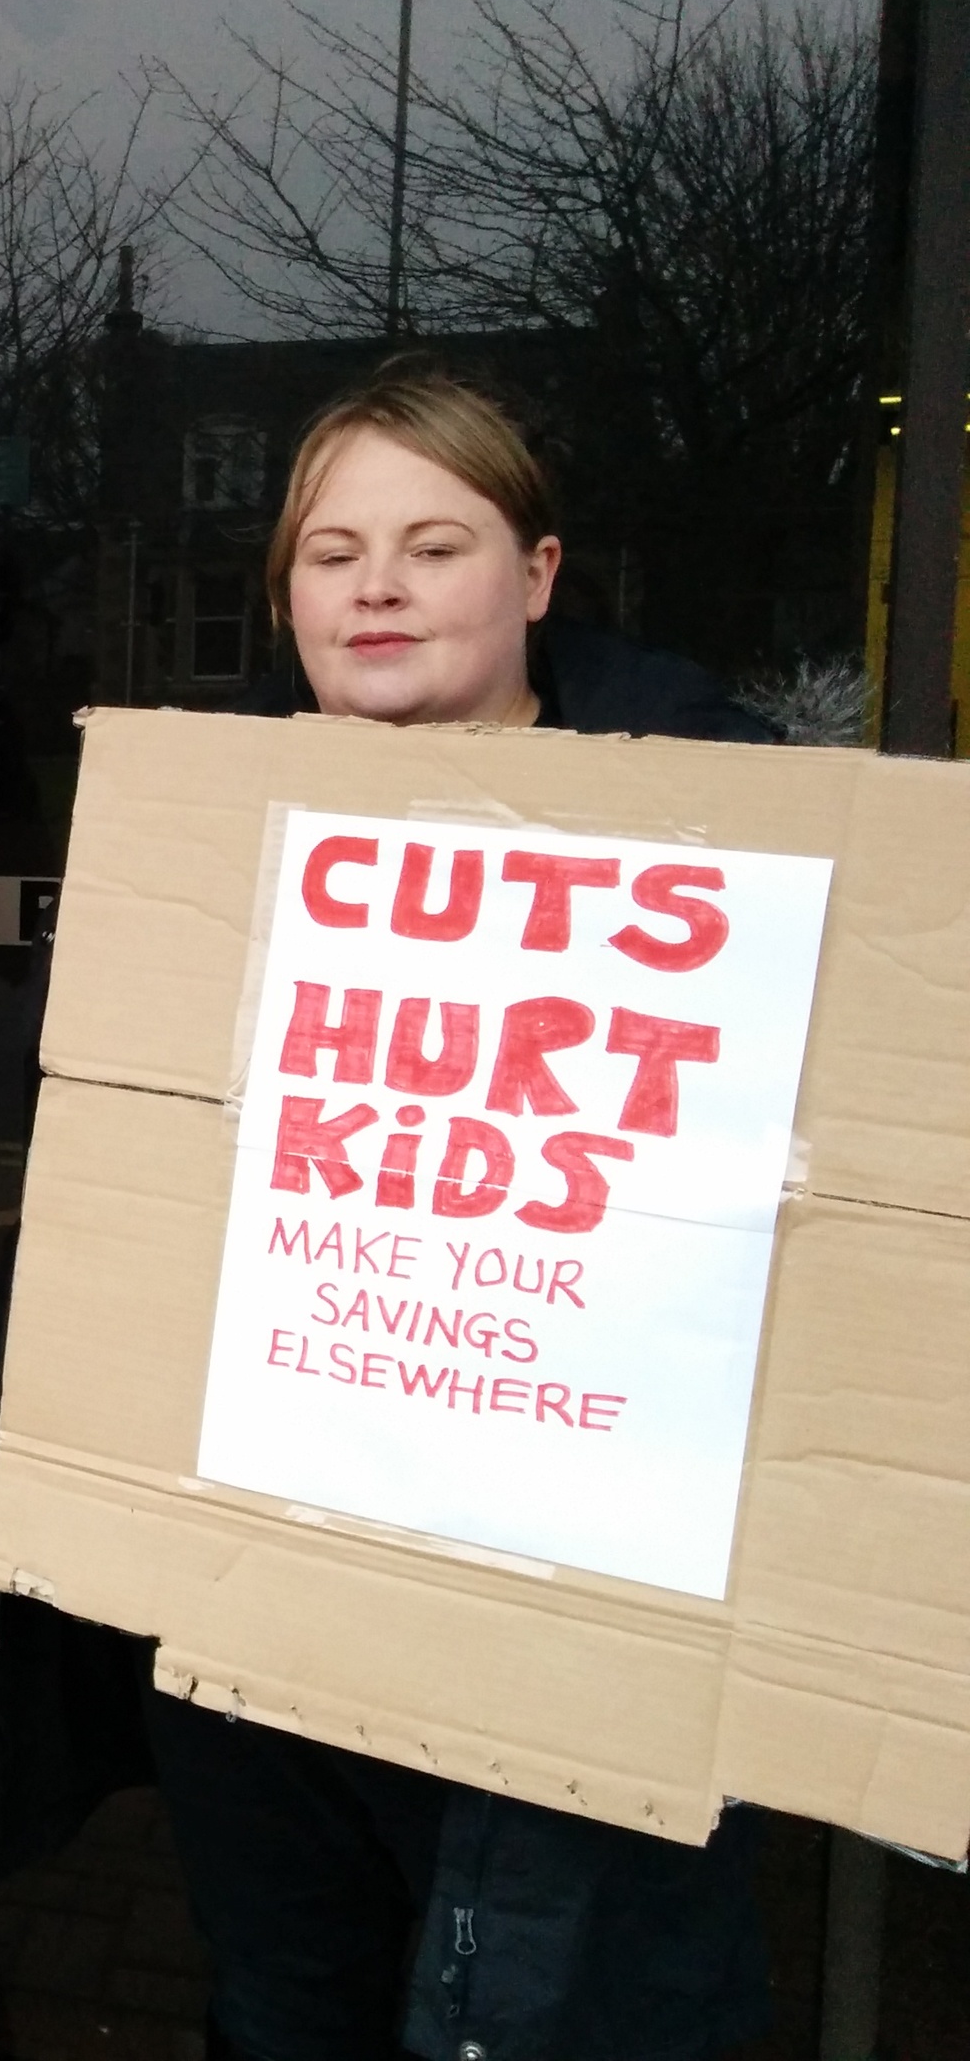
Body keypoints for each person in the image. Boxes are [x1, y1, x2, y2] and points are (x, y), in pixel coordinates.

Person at [156, 365, 771, 2061]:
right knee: (288, 2008)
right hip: (266, 1584)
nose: (376, 586)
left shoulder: (733, 837)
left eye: (434, 544)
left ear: (540, 575)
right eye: (332, 551)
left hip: (567, 1601)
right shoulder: (205, 838)